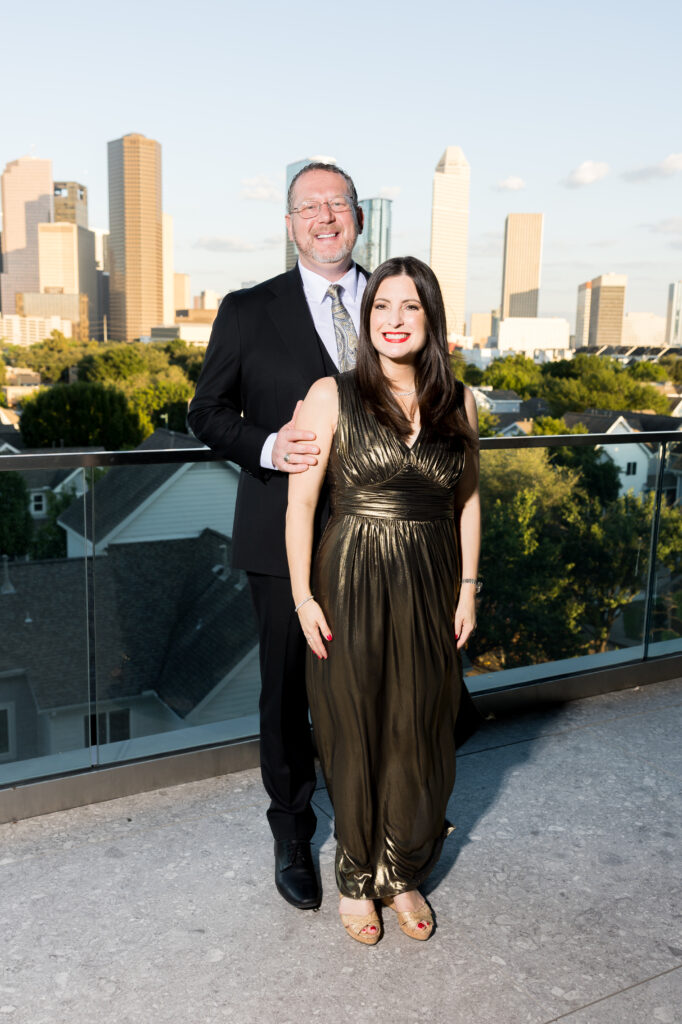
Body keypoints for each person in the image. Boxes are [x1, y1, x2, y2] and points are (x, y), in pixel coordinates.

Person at [187, 162, 367, 911]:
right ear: (289, 224)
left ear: (359, 215)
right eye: (310, 207)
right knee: (287, 694)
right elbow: (206, 413)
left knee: (371, 688)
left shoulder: (397, 298)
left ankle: (373, 824)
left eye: (338, 204)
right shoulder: (246, 309)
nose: (326, 217)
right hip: (278, 539)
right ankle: (292, 830)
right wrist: (267, 447)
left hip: (378, 540)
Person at [285, 256, 481, 944]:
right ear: (367, 322)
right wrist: (304, 596)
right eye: (381, 309)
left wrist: (468, 588)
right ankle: (355, 873)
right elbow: (302, 503)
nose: (394, 321)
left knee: (420, 726)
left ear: (430, 319)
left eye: (410, 308)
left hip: (431, 582)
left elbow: (468, 501)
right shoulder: (331, 394)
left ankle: (402, 870)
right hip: (350, 579)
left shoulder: (461, 401)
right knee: (352, 725)